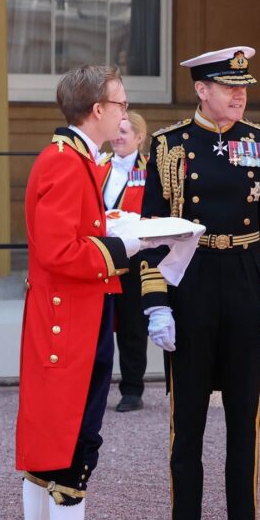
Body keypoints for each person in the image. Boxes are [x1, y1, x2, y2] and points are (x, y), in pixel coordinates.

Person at [140, 46, 260, 520]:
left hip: (245, 278)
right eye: (228, 87)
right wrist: (156, 304)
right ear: (202, 90)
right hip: (192, 280)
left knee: (243, 414)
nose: (239, 94)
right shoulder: (167, 147)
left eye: (243, 86)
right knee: (189, 418)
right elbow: (150, 236)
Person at [16, 64, 145, 520]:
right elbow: (59, 251)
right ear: (97, 109)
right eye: (119, 103)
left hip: (64, 324)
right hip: (71, 328)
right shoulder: (68, 164)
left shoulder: (69, 159)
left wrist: (108, 232)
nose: (124, 112)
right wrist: (122, 247)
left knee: (49, 449)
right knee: (71, 450)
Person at [104, 111, 151, 412]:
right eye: (116, 130)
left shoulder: (151, 171)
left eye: (125, 131)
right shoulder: (97, 166)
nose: (118, 136)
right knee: (100, 323)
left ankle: (132, 389)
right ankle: (95, 385)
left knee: (134, 324)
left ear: (139, 138)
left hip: (136, 256)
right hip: (100, 254)